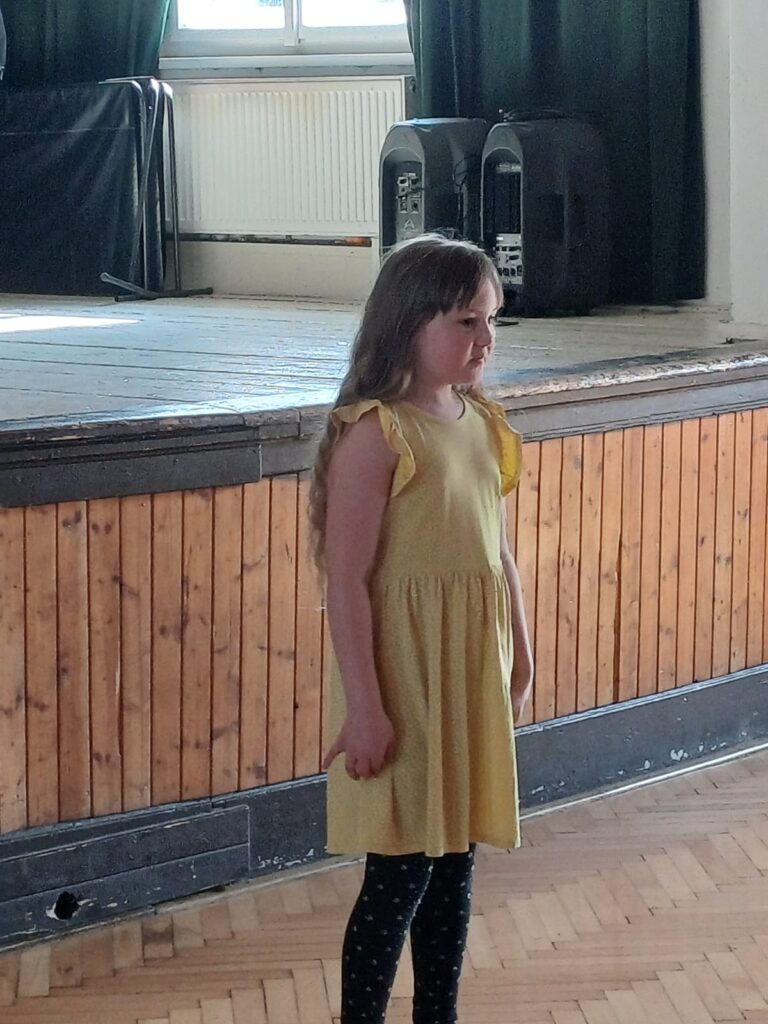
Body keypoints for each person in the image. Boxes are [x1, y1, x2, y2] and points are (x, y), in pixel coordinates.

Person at [309, 234, 534, 1024]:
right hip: (405, 676)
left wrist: (521, 654)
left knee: (455, 861)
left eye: (491, 319)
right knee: (400, 872)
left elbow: (496, 551)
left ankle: (438, 1015)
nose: (485, 338)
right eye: (466, 321)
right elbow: (345, 581)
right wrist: (367, 709)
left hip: (466, 671)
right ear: (408, 324)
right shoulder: (377, 432)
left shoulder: (479, 421)